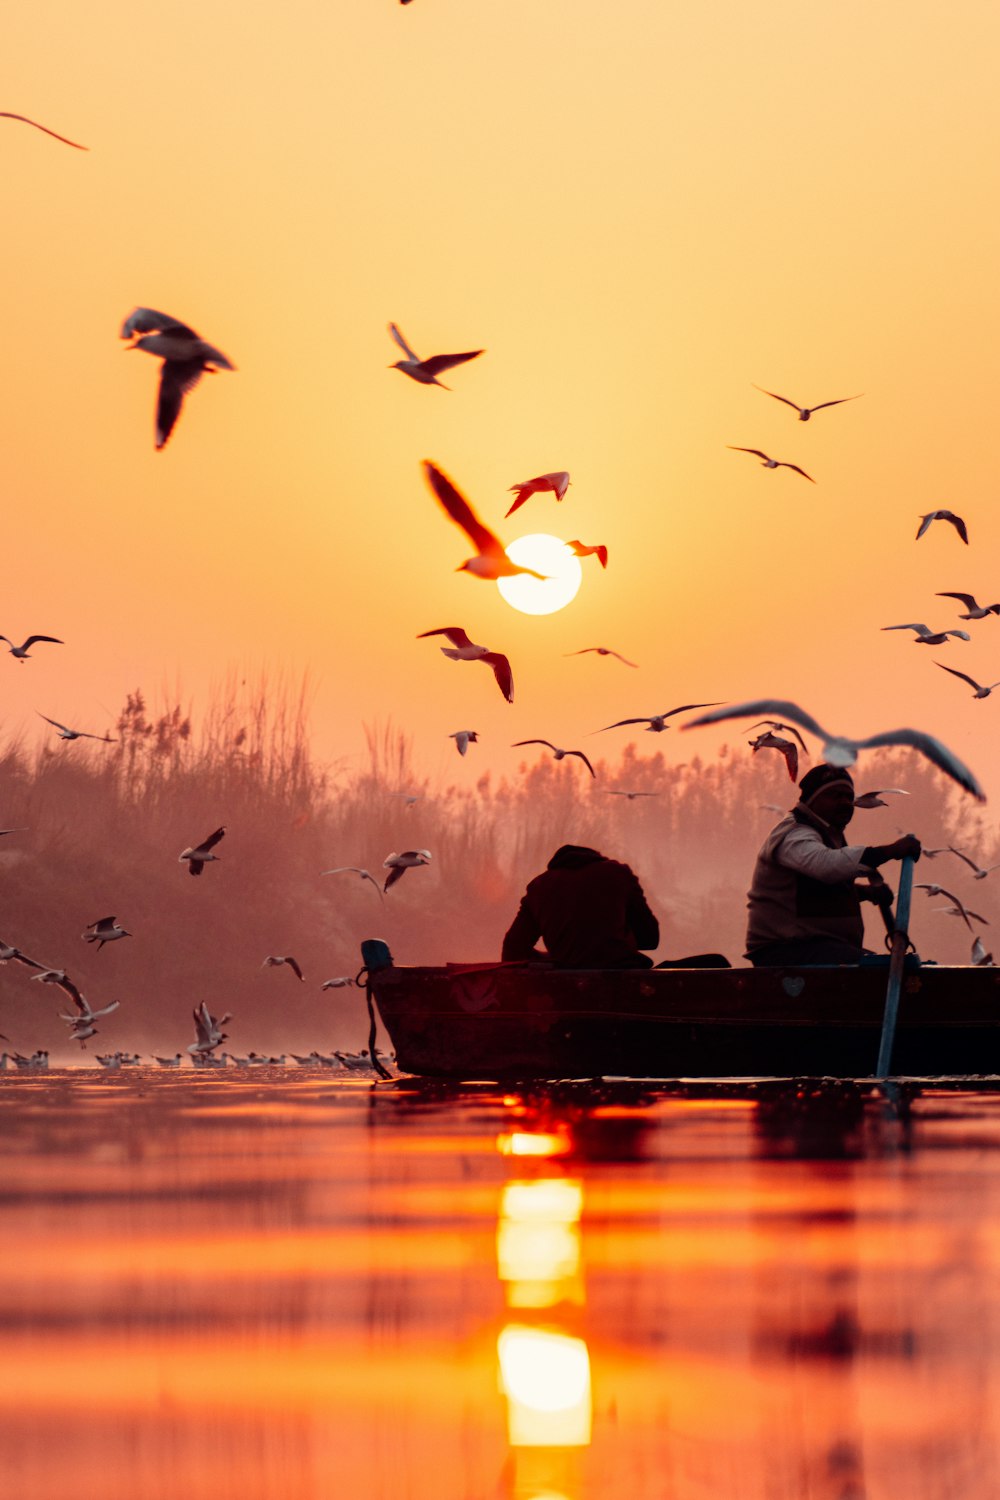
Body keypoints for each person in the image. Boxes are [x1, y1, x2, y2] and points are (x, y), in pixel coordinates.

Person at [746, 763, 921, 966]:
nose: (845, 803)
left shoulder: (827, 834)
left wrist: (865, 894)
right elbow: (826, 866)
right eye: (835, 796)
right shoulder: (794, 834)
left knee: (884, 967)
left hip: (821, 948)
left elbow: (811, 893)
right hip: (786, 950)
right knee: (876, 971)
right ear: (812, 800)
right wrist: (889, 851)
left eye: (848, 797)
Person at [501, 844, 660, 968]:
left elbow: (513, 950)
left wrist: (552, 957)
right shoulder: (617, 872)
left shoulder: (538, 886)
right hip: (621, 974)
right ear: (596, 858)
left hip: (565, 981)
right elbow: (649, 938)